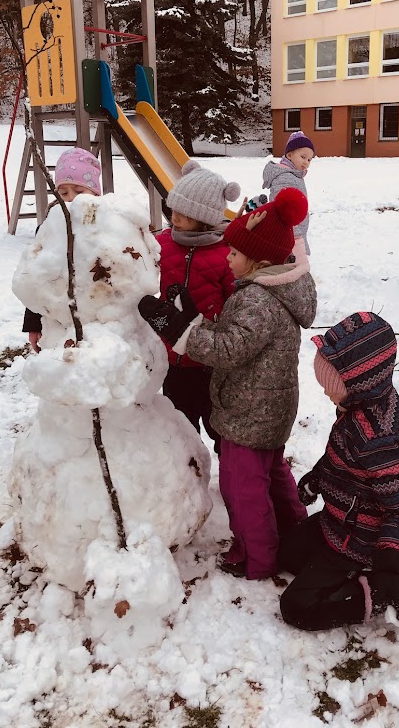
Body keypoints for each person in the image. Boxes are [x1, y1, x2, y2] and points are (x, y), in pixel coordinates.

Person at [138, 188, 318, 580]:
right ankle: (295, 529)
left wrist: (180, 330)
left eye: (235, 253)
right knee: (272, 474)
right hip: (268, 408)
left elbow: (228, 348)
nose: (228, 257)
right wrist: (196, 318)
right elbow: (240, 338)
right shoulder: (275, 292)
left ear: (259, 261)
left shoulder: (257, 301)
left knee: (242, 490)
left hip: (248, 413)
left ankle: (258, 557)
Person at [277, 312, 399, 632]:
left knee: (297, 607)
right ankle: (350, 573)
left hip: (361, 542)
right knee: (286, 554)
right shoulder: (355, 408)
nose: (324, 392)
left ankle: (391, 589)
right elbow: (343, 460)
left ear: (359, 383)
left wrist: (388, 567)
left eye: (330, 386)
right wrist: (318, 478)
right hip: (336, 524)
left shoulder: (382, 439)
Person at [157, 160, 240, 454]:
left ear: (204, 218)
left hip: (209, 362)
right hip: (172, 358)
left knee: (219, 426)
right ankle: (187, 476)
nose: (174, 216)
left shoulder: (225, 253)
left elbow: (235, 300)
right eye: (174, 209)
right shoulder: (163, 243)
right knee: (180, 427)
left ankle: (232, 472)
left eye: (184, 213)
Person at [22, 147, 102, 353]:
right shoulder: (48, 227)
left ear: (94, 193)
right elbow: (36, 279)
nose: (71, 198)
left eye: (79, 191)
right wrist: (33, 324)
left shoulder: (106, 226)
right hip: (58, 319)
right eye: (63, 192)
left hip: (99, 319)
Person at [262, 130, 313, 255]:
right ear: (289, 155)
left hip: (295, 232)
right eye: (303, 157)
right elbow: (282, 210)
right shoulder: (284, 177)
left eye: (309, 159)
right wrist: (294, 234)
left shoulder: (294, 175)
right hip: (289, 234)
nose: (306, 162)